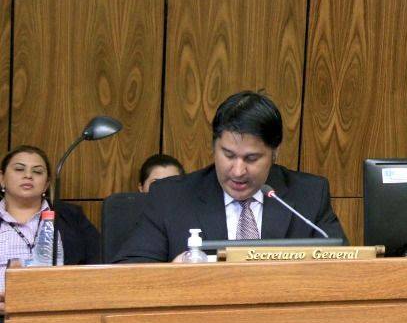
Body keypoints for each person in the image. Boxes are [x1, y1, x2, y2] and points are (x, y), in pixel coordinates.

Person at [115, 91, 347, 262]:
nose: (238, 171)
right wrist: (173, 273)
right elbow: (129, 272)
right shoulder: (170, 197)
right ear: (214, 147)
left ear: (275, 153)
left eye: (251, 158)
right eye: (228, 155)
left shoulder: (309, 196)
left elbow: (343, 268)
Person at [0, 145, 101, 309]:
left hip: (59, 311)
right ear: (2, 178)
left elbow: (98, 265)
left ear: (46, 184)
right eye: (19, 169)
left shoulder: (71, 216)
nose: (28, 175)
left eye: (37, 172)